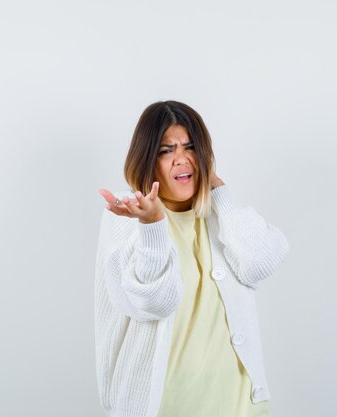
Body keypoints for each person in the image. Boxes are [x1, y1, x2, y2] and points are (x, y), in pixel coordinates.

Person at [94, 100, 289, 417]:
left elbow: (260, 262)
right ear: (146, 161)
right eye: (165, 151)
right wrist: (153, 225)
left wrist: (219, 191)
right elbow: (154, 303)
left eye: (190, 147)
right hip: (165, 407)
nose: (182, 160)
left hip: (240, 405)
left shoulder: (218, 214)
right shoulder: (126, 218)